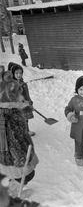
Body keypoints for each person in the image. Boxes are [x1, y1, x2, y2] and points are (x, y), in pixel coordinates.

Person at [0, 70, 39, 198]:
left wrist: (25, 106)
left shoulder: (11, 110)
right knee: (27, 174)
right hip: (16, 156)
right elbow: (11, 141)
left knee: (25, 174)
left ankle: (14, 186)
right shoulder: (6, 118)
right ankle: (13, 192)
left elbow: (19, 106)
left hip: (19, 150)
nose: (20, 94)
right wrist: (21, 159)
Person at [9, 63, 35, 137]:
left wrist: (30, 101)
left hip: (24, 105)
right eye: (16, 73)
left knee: (25, 119)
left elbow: (27, 94)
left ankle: (26, 131)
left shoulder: (23, 84)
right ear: (13, 74)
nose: (19, 75)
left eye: (20, 73)